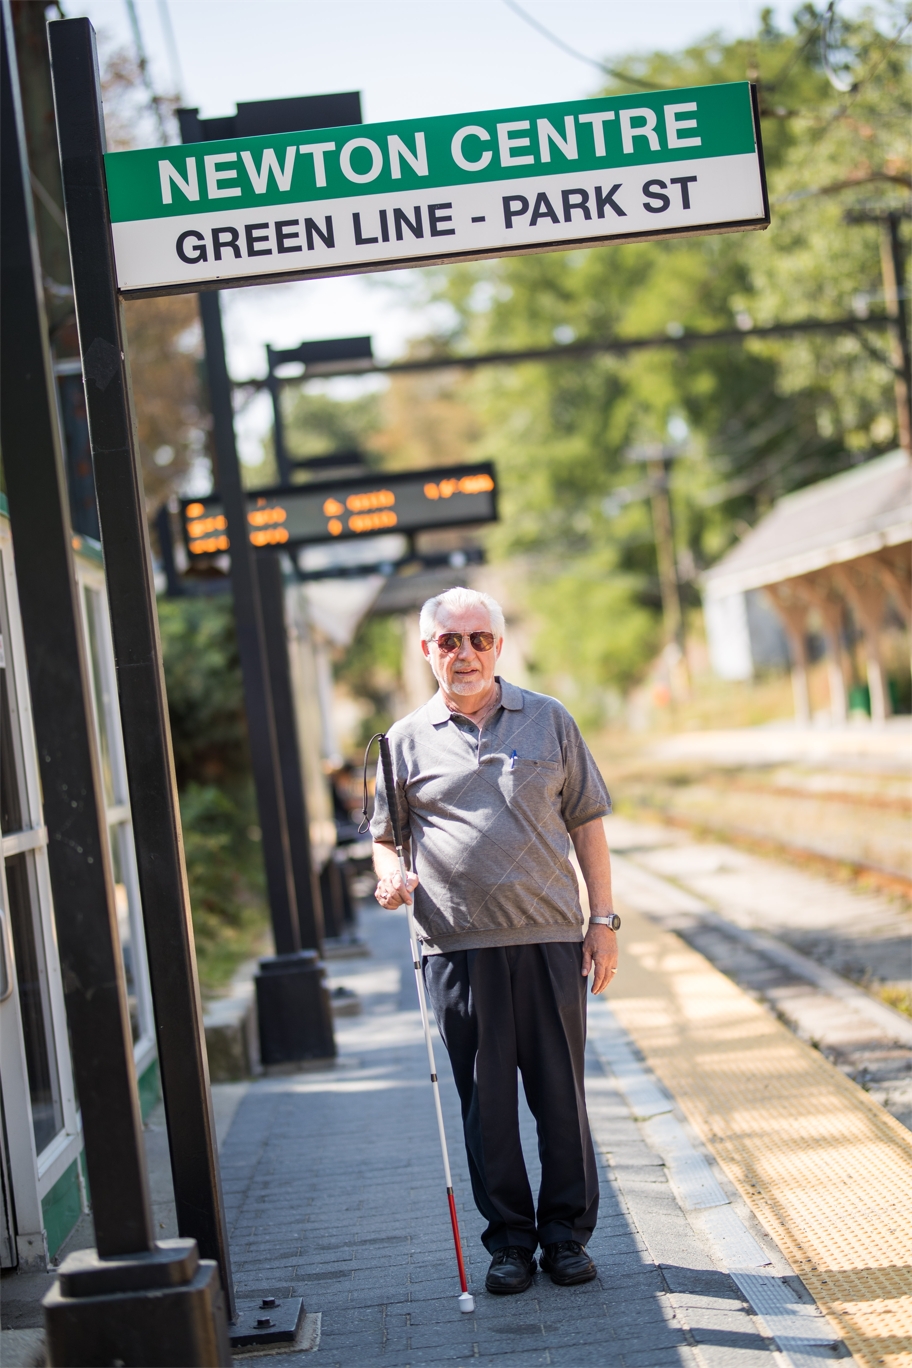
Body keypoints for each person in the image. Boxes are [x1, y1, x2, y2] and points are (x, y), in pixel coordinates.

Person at [370, 586, 619, 1296]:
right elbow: (385, 841)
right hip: (454, 950)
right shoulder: (401, 741)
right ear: (427, 651)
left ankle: (565, 1236)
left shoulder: (550, 720)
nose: (465, 653)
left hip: (549, 940)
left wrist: (603, 922)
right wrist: (390, 879)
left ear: (498, 647)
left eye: (478, 639)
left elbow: (589, 823)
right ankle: (509, 1244)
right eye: (448, 641)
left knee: (560, 1098)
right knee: (488, 1107)